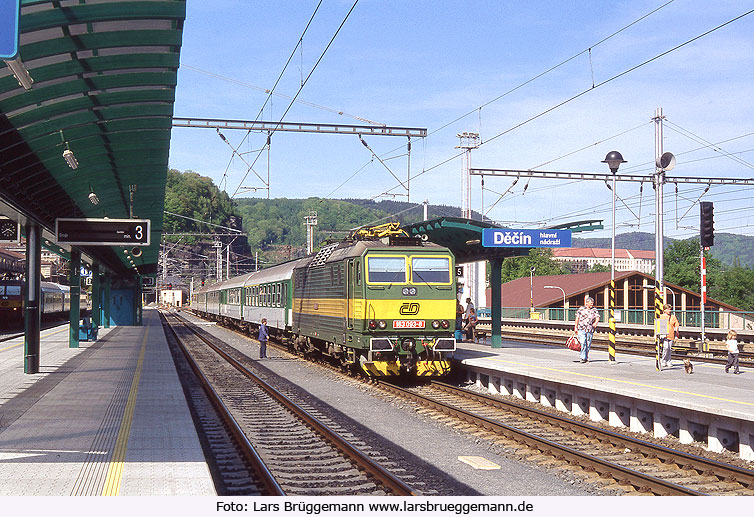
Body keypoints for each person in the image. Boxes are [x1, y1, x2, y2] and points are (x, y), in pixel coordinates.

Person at [574, 296, 599, 363]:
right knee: (583, 343)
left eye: (592, 303)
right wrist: (575, 327)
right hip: (581, 328)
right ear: (587, 303)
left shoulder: (594, 310)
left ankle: (586, 357)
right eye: (591, 303)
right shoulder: (581, 309)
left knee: (588, 344)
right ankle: (582, 357)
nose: (592, 304)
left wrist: (596, 323)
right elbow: (577, 319)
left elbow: (597, 317)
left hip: (590, 329)